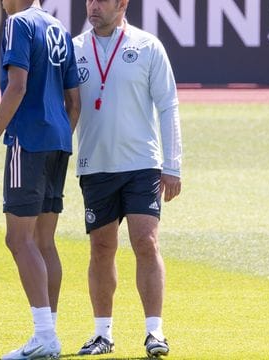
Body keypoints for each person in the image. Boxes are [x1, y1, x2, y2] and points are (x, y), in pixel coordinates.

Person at [72, 0, 182, 357]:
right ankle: (102, 334)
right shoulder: (75, 49)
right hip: (95, 165)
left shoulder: (148, 46)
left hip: (141, 164)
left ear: (122, 4)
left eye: (102, 0)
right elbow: (64, 106)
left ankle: (155, 332)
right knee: (102, 248)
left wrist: (173, 164)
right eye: (89, 0)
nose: (93, 6)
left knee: (146, 243)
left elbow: (168, 104)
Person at [0, 0, 80, 358]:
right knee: (44, 240)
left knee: (19, 239)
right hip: (58, 141)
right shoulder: (59, 28)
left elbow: (17, 86)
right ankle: (49, 336)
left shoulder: (17, 24)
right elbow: (74, 100)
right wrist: (60, 137)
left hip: (29, 139)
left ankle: (44, 336)